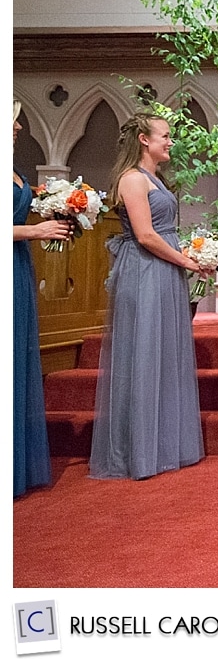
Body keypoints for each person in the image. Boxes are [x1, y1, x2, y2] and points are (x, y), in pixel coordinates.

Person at [90, 112, 205, 480]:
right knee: (144, 353)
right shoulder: (132, 179)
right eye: (165, 136)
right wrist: (186, 261)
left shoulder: (155, 178)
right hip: (145, 270)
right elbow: (146, 235)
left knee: (164, 353)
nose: (170, 142)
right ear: (143, 139)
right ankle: (139, 452)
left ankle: (165, 443)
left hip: (163, 269)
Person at [13, 102, 72, 496]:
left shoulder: (16, 171)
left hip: (17, 269)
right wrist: (32, 233)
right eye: (10, 118)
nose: (18, 125)